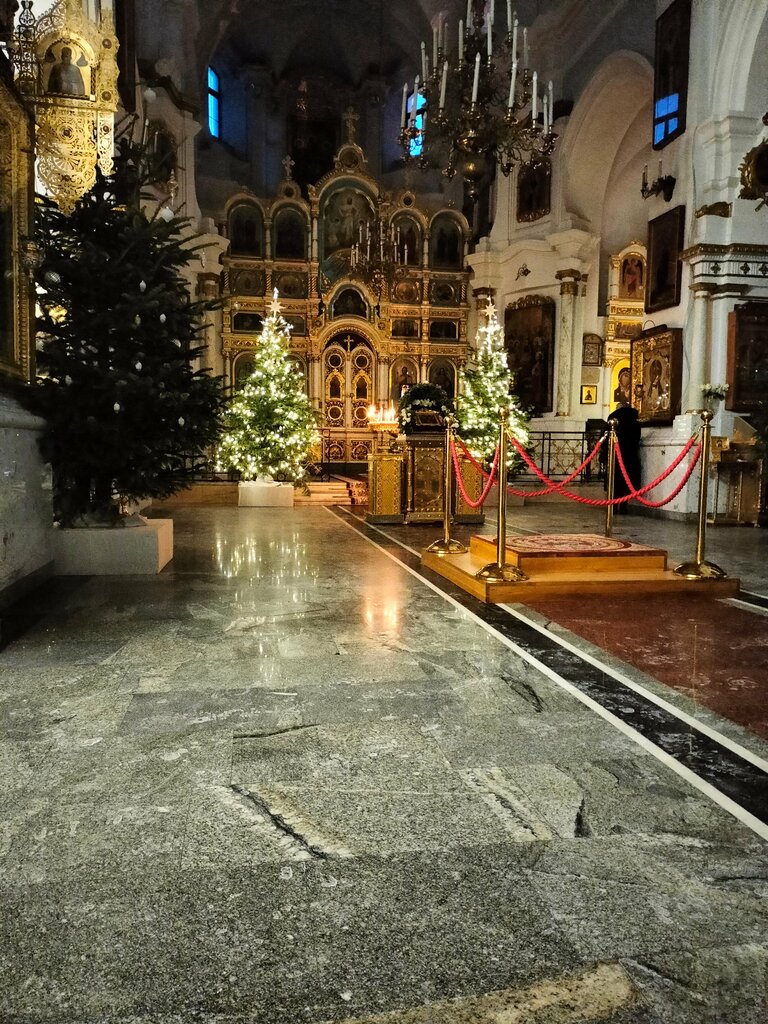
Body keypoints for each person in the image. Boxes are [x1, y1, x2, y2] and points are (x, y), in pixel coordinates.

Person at [607, 404, 641, 513]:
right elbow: (636, 439)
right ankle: (623, 506)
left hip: (616, 457)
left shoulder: (615, 422)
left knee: (615, 483)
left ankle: (612, 505)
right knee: (626, 483)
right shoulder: (634, 424)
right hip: (630, 457)